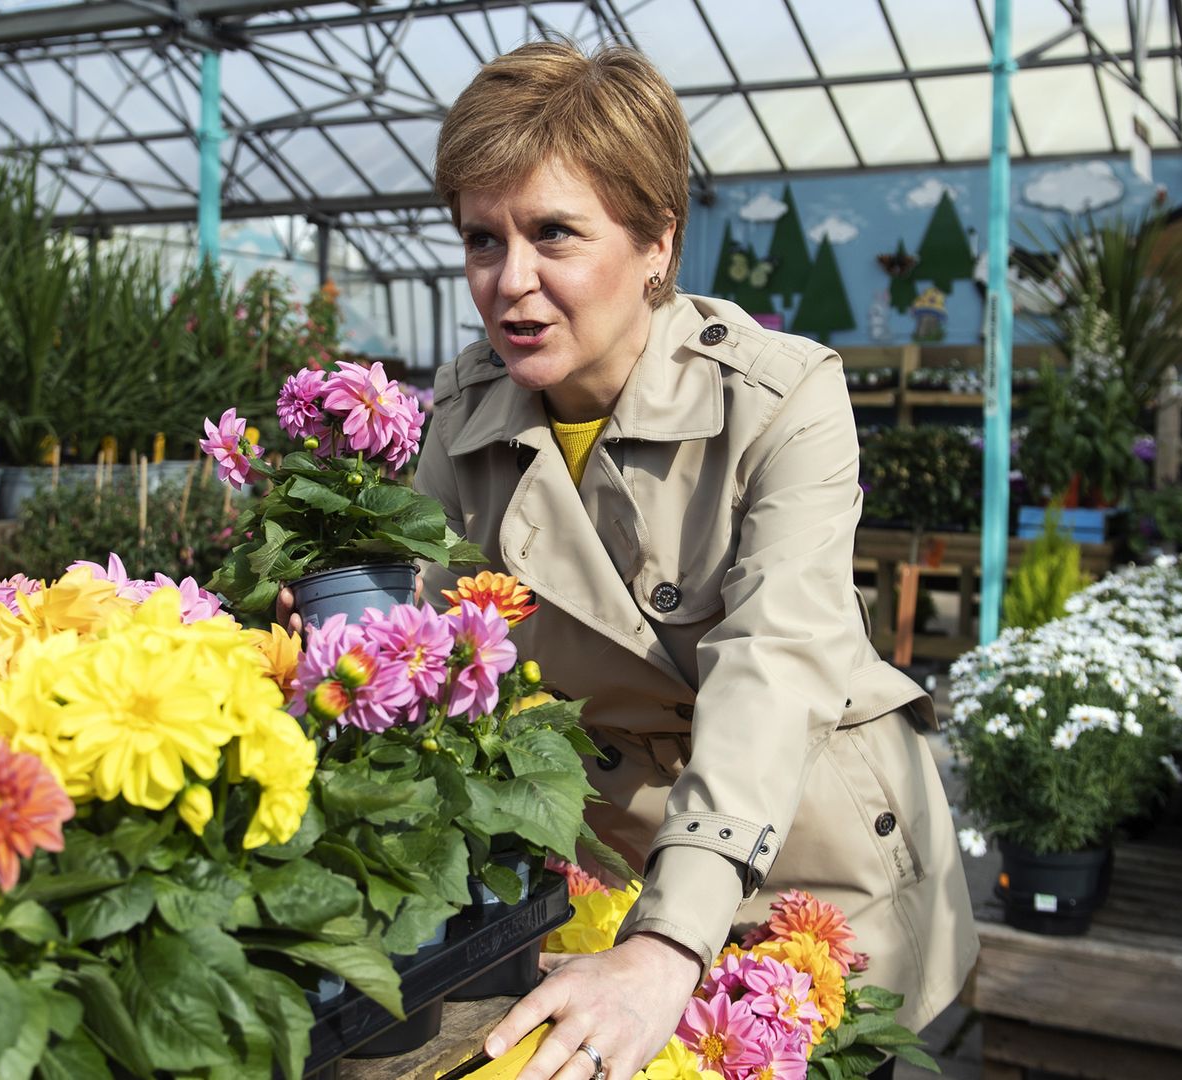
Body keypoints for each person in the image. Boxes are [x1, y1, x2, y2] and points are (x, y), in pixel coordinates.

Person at [410, 39, 977, 1080]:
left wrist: (671, 943)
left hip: (819, 874)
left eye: (554, 234)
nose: (510, 282)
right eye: (482, 239)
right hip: (609, 890)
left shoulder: (780, 393)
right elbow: (421, 655)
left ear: (656, 241)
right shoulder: (458, 422)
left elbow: (774, 660)